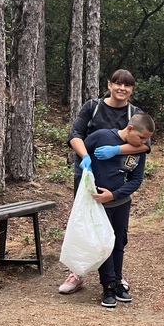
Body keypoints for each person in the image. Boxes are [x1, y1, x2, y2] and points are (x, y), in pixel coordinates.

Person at [61, 69, 150, 295]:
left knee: (113, 231)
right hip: (88, 176)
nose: (122, 89)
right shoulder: (93, 107)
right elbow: (75, 135)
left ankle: (114, 277)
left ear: (132, 89)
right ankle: (77, 272)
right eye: (117, 84)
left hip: (117, 181)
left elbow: (145, 145)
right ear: (109, 84)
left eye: (127, 86)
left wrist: (116, 150)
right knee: (85, 224)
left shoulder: (134, 113)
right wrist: (86, 157)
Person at [82, 113, 156, 308]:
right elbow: (82, 149)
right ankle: (107, 285)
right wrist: (85, 164)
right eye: (141, 138)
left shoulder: (137, 151)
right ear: (130, 129)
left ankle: (117, 282)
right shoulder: (102, 136)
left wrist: (114, 195)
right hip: (98, 204)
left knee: (119, 241)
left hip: (121, 202)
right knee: (104, 243)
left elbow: (136, 180)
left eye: (146, 139)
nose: (144, 143)